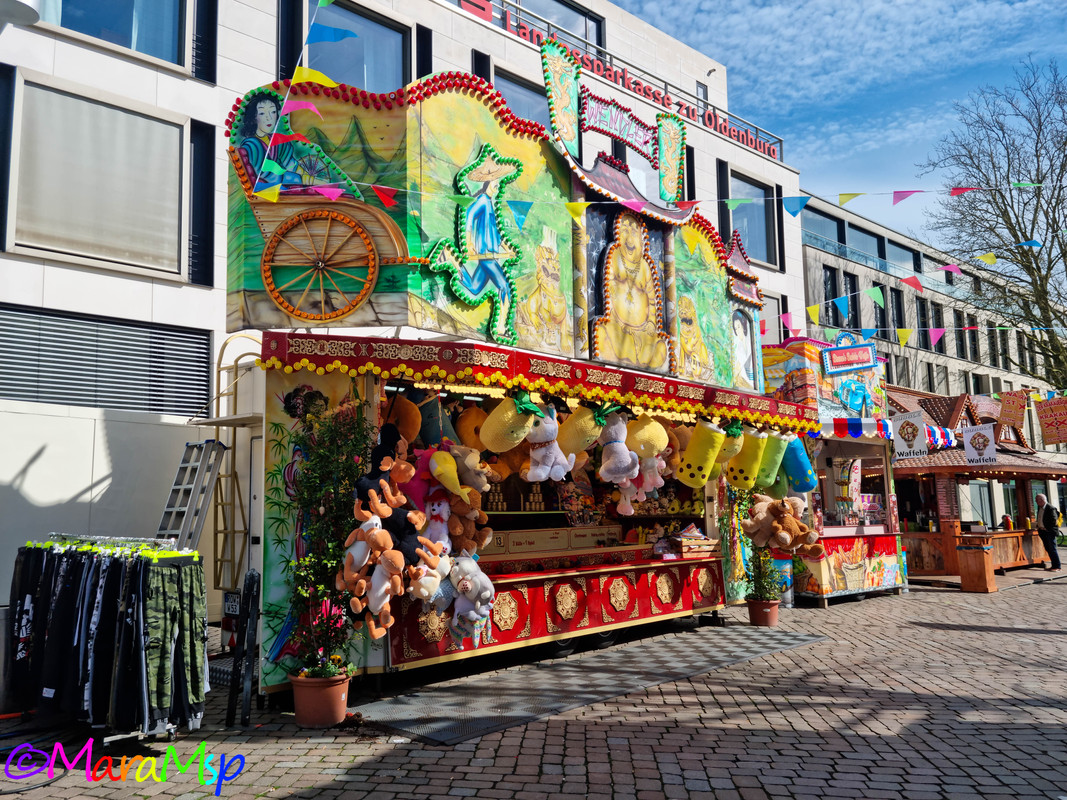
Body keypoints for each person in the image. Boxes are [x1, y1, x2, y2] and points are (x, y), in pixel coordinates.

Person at [1035, 493, 1061, 572]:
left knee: (1052, 548)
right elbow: (1040, 518)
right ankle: (1053, 565)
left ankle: (1057, 566)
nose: (1036, 502)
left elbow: (1053, 520)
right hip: (1042, 531)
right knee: (1048, 549)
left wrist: (1046, 528)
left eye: (1037, 500)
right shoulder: (1040, 508)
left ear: (1042, 500)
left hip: (1049, 531)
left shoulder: (1050, 508)